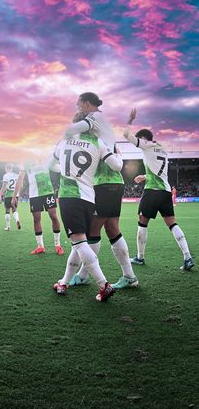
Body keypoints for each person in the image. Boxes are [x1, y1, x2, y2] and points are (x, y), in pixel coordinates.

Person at [65, 93, 138, 290]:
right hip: (114, 183)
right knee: (112, 229)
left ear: (87, 104)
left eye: (79, 106)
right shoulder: (102, 124)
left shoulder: (94, 119)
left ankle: (82, 275)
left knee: (92, 231)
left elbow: (113, 162)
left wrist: (66, 134)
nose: (77, 109)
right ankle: (129, 276)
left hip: (103, 182)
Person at [49, 130, 123, 302]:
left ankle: (103, 285)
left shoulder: (64, 140)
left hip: (70, 196)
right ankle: (64, 282)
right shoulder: (97, 141)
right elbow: (117, 166)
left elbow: (50, 164)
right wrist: (118, 155)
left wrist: (66, 170)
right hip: (90, 198)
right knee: (79, 242)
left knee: (80, 243)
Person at [124, 109, 195, 271]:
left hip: (152, 191)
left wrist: (130, 119)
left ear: (144, 138)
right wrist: (144, 175)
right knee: (172, 223)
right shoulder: (162, 148)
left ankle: (140, 257)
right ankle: (187, 256)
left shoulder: (146, 145)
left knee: (142, 222)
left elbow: (126, 135)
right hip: (165, 191)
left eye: (140, 139)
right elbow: (158, 172)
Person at [12, 162, 64, 255]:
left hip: (47, 191)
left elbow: (58, 168)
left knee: (53, 216)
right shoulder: (25, 161)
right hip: (34, 194)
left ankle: (58, 245)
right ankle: (40, 246)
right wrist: (14, 196)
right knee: (36, 219)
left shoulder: (45, 156)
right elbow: (20, 178)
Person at [0, 163, 21, 231]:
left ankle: (8, 227)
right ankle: (17, 219)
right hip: (16, 194)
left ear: (6, 168)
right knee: (14, 210)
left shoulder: (6, 175)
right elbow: (20, 185)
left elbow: (4, 185)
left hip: (8, 194)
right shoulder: (17, 175)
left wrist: (0, 195)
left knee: (7, 210)